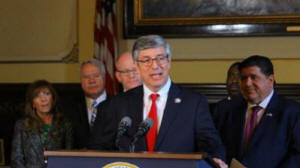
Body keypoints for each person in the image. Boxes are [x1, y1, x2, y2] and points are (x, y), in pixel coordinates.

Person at [89, 35, 227, 168]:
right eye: (146, 60)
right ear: (137, 66)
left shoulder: (194, 102)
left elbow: (211, 144)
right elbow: (98, 149)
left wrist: (216, 160)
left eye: (160, 58)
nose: (155, 66)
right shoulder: (116, 105)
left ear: (169, 61)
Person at [214, 55, 300, 168]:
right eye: (244, 78)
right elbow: (216, 145)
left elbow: (297, 155)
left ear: (270, 80)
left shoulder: (292, 112)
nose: (247, 83)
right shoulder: (227, 109)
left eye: (254, 77)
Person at [11, 80, 73, 168]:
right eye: (37, 96)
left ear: (53, 98)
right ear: (33, 103)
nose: (43, 99)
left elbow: (69, 157)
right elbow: (16, 159)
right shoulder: (21, 125)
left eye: (47, 94)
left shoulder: (64, 124)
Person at [64, 58, 108, 149]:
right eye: (86, 77)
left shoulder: (118, 104)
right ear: (81, 81)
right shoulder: (69, 107)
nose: (91, 81)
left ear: (104, 77)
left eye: (96, 76)